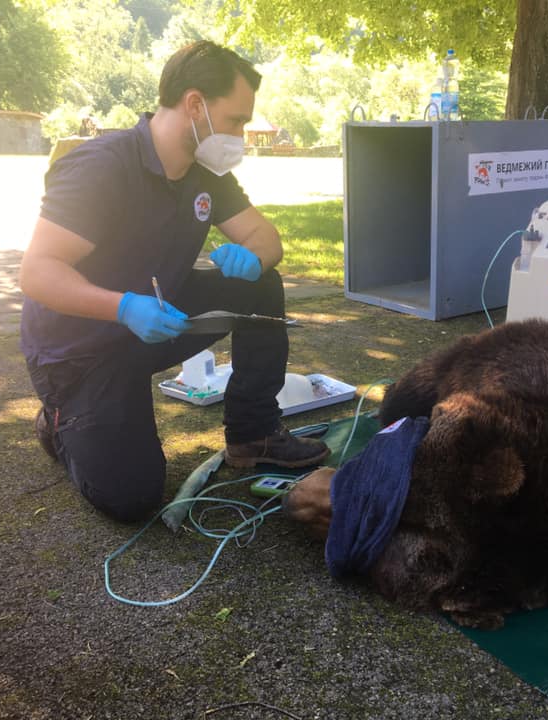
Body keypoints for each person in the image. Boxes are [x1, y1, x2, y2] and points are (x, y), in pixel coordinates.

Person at [19, 41, 330, 523]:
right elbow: (38, 271)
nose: (241, 135)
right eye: (236, 120)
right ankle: (60, 424)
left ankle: (254, 433)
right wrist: (124, 308)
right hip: (80, 349)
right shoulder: (102, 166)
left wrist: (253, 256)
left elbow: (265, 237)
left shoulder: (205, 171)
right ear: (195, 104)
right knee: (132, 498)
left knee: (262, 285)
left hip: (157, 318)